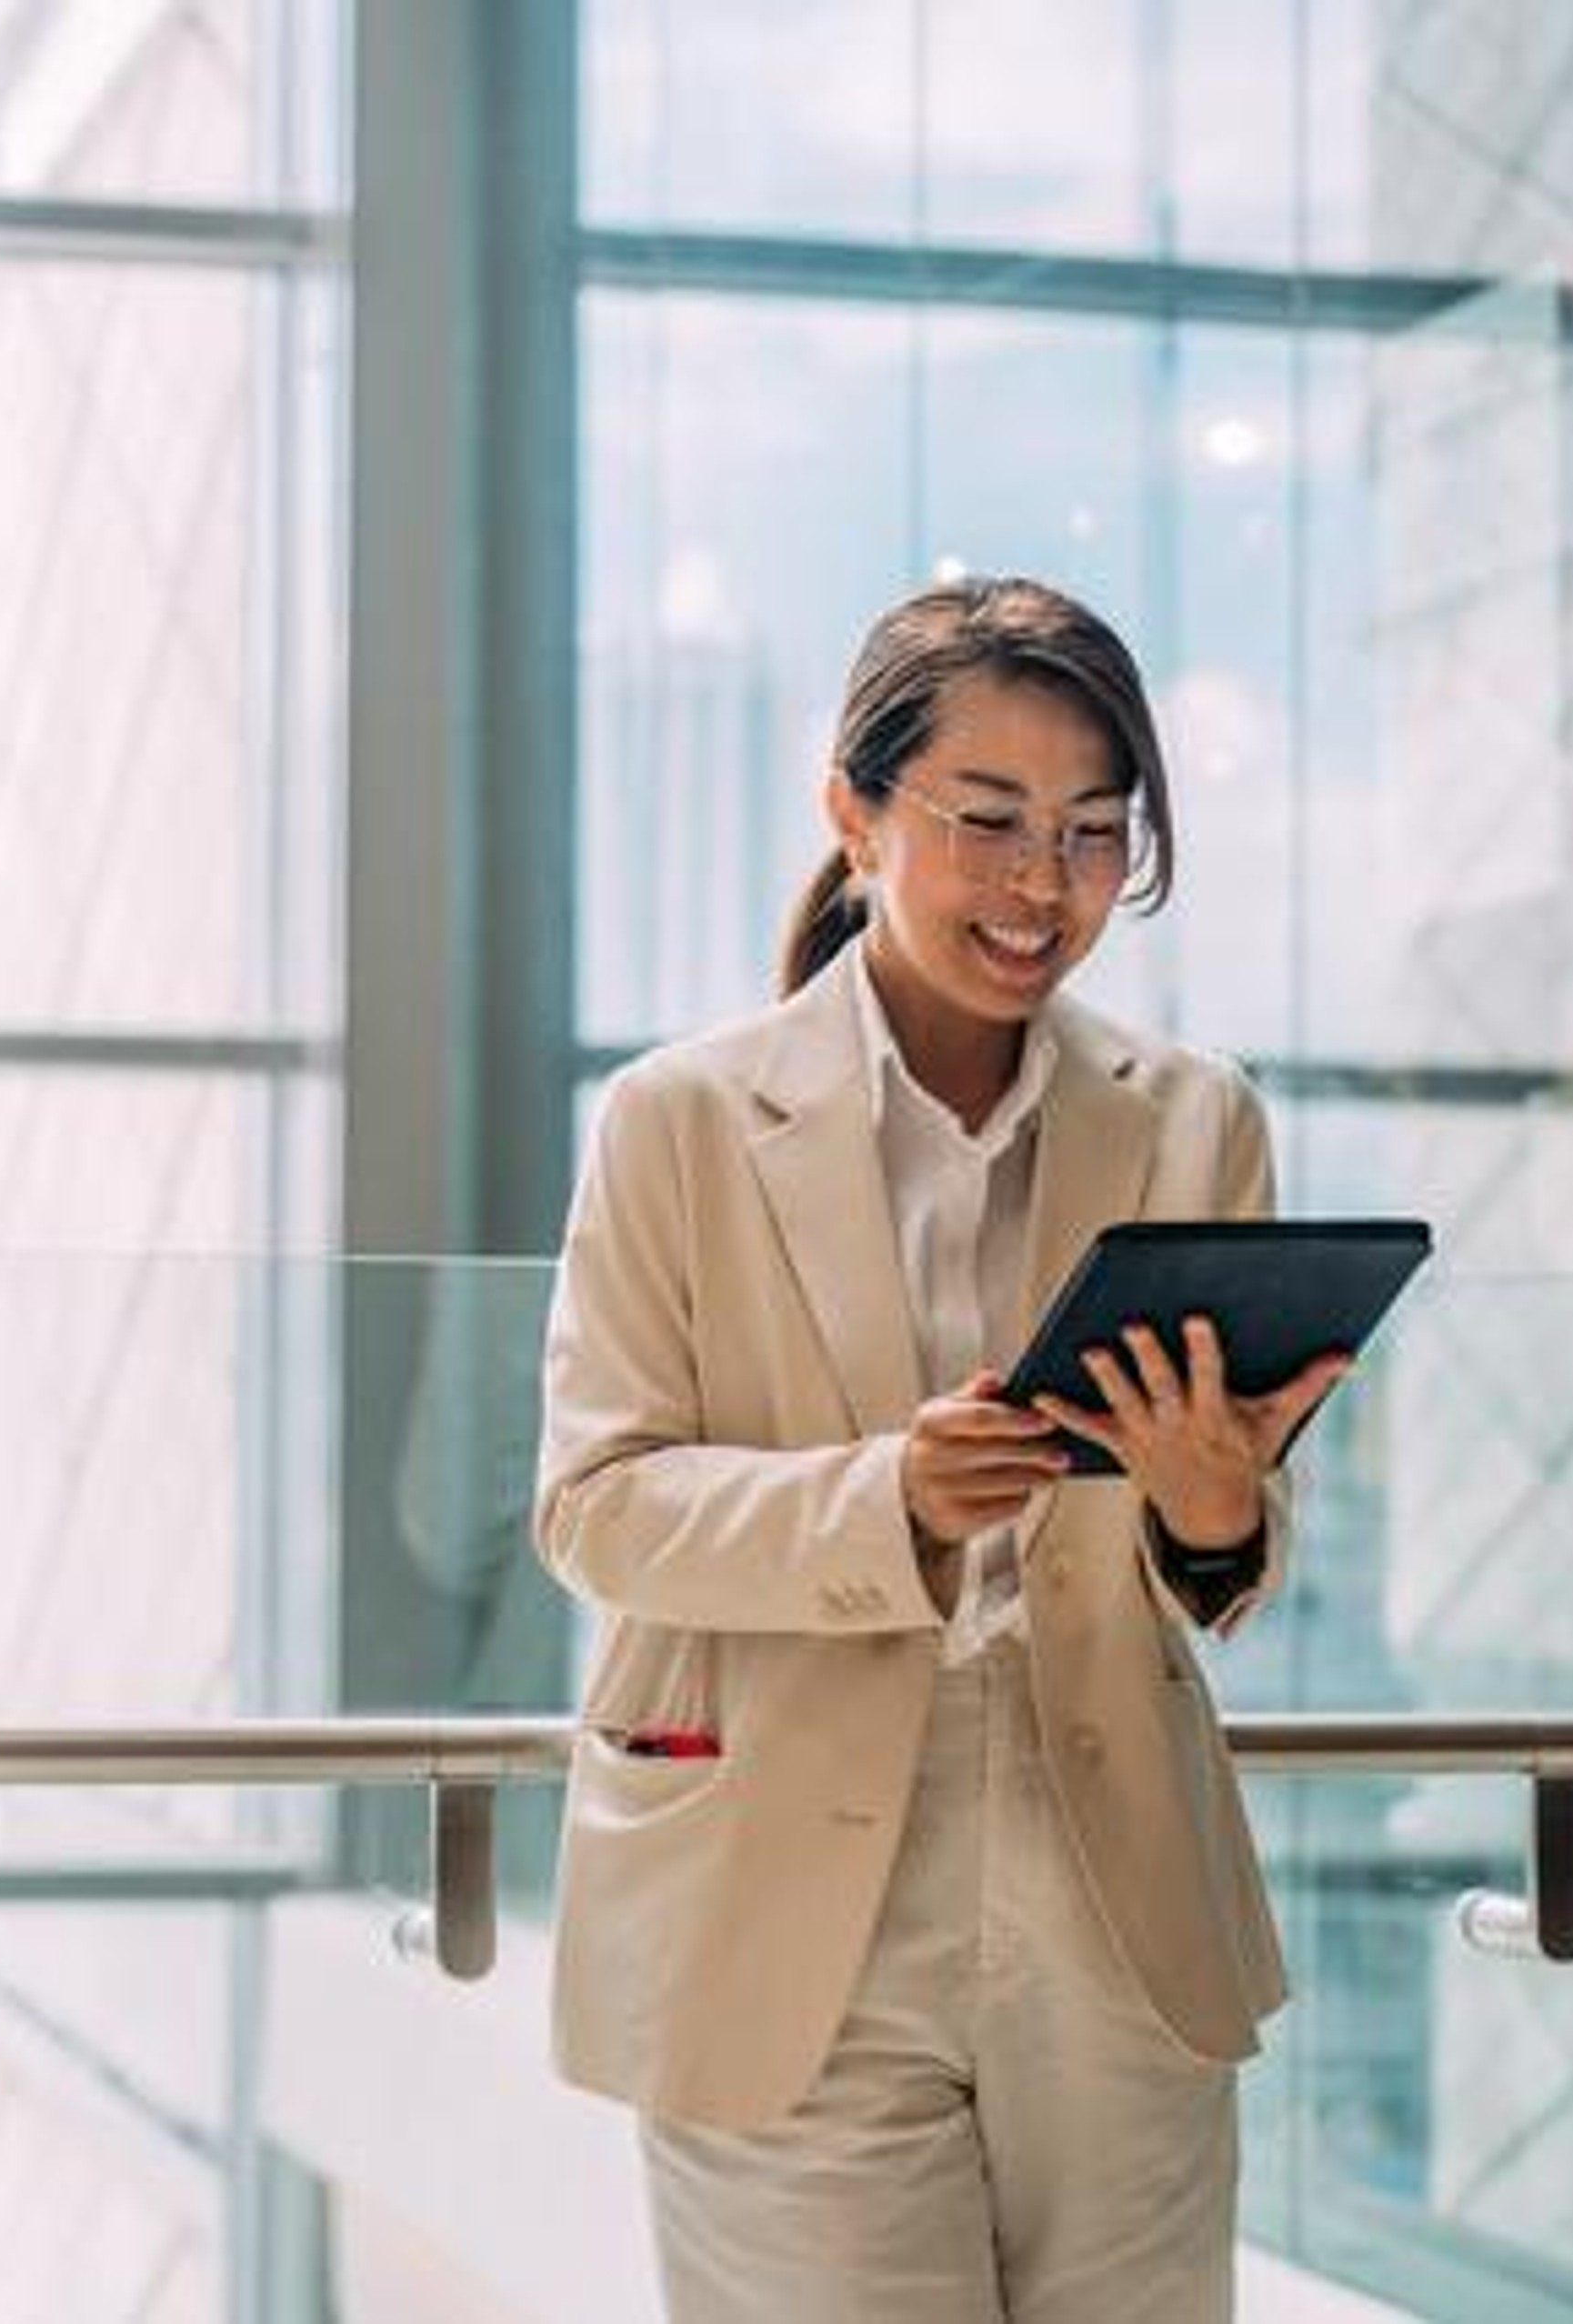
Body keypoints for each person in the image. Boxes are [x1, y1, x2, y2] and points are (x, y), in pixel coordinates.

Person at [534, 576, 1351, 2323]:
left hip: (1114, 1898)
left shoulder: (1197, 1116)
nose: (1039, 885)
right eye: (986, 823)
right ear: (854, 809)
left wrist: (1215, 1513)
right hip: (780, 1904)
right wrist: (882, 1495)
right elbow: (594, 1509)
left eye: (1089, 834)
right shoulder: (679, 1118)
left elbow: (1220, 1547)